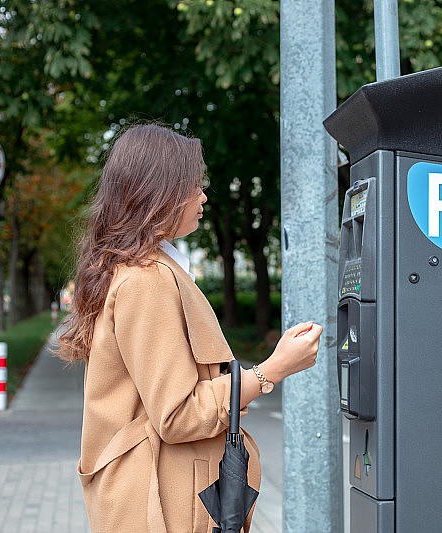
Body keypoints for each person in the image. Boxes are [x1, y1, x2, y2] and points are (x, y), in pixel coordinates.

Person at [57, 124, 322, 533]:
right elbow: (177, 415)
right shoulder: (147, 280)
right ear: (158, 192)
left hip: (152, 494)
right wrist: (273, 370)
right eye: (193, 185)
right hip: (158, 504)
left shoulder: (138, 269)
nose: (202, 196)